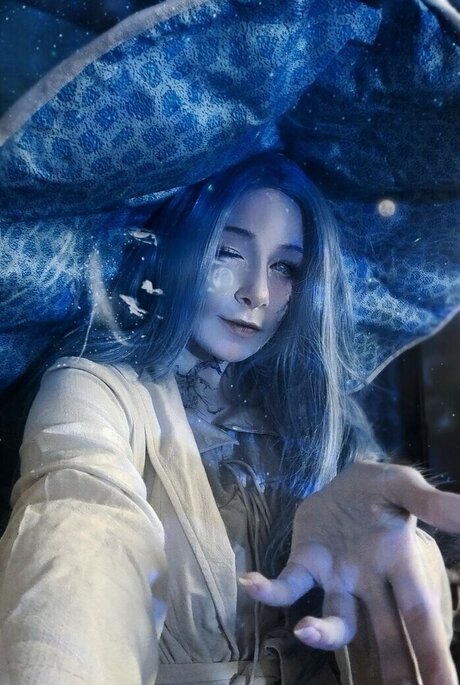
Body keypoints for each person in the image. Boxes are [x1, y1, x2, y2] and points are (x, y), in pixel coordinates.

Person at [0, 152, 457, 685]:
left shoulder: (320, 424)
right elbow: (79, 526)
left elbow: (392, 619)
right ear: (177, 251)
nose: (256, 293)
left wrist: (405, 546)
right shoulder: (95, 390)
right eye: (228, 251)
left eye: (284, 268)